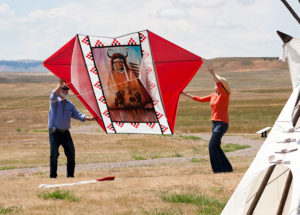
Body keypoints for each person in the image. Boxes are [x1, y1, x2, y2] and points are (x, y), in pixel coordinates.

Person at [182, 65, 233, 173]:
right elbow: (200, 99)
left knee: (212, 145)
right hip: (214, 122)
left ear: (221, 85)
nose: (215, 84)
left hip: (222, 123)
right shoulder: (213, 95)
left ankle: (218, 170)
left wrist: (212, 74)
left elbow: (218, 83)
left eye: (217, 83)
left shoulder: (224, 95)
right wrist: (185, 94)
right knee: (216, 146)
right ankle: (227, 168)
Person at [48, 79, 95, 178]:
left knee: (71, 154)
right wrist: (60, 84)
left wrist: (89, 119)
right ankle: (53, 177)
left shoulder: (70, 105)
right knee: (54, 155)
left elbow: (77, 114)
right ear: (60, 90)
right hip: (54, 132)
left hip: (65, 133)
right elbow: (52, 95)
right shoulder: (55, 102)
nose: (66, 91)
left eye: (67, 90)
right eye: (63, 89)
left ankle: (70, 176)